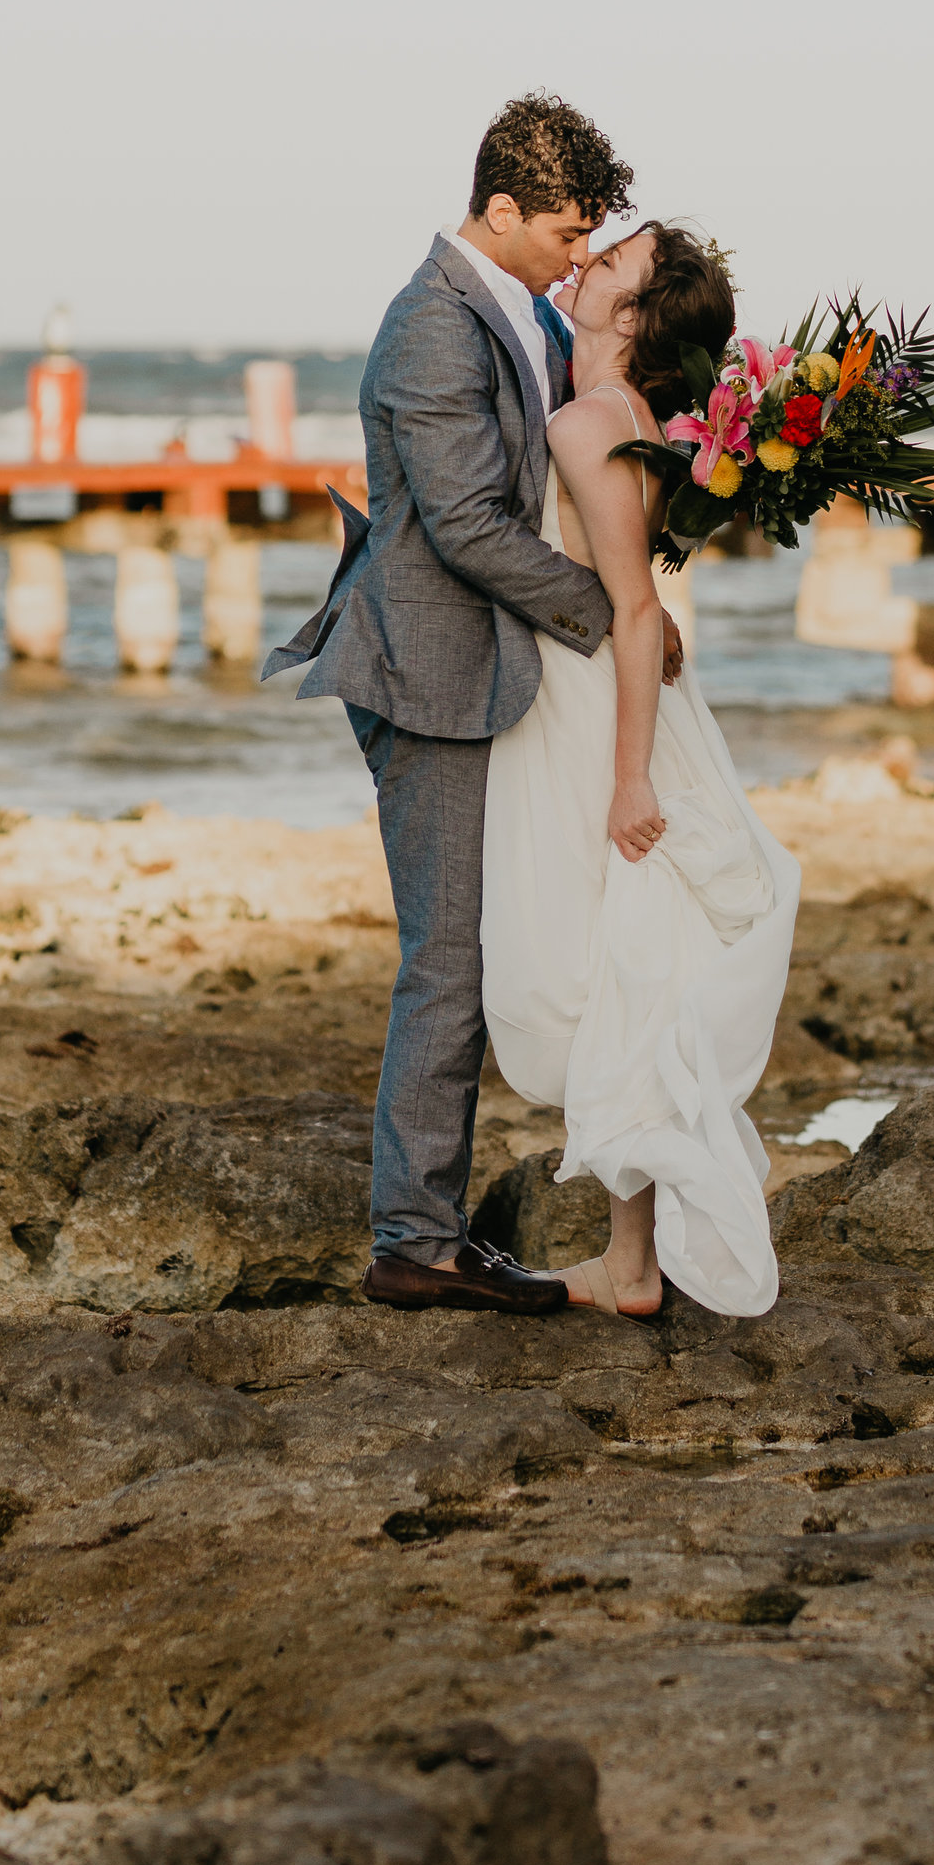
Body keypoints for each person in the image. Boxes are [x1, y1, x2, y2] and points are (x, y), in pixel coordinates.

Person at [263, 91, 675, 1315]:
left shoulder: (517, 311)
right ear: (498, 211)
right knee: (446, 958)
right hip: (427, 674)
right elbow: (464, 527)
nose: (578, 258)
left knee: (481, 948)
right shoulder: (429, 329)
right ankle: (416, 1244)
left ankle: (432, 1226)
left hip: (490, 666)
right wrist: (617, 613)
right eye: (563, 233)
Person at [481, 222, 800, 1318]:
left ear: (629, 317)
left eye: (615, 255)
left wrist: (629, 777)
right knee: (633, 964)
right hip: (604, 693)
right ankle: (628, 1262)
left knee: (617, 954)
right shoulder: (637, 422)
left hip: (591, 713)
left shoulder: (587, 424)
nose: (594, 253)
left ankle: (631, 1262)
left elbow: (626, 608)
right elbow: (639, 601)